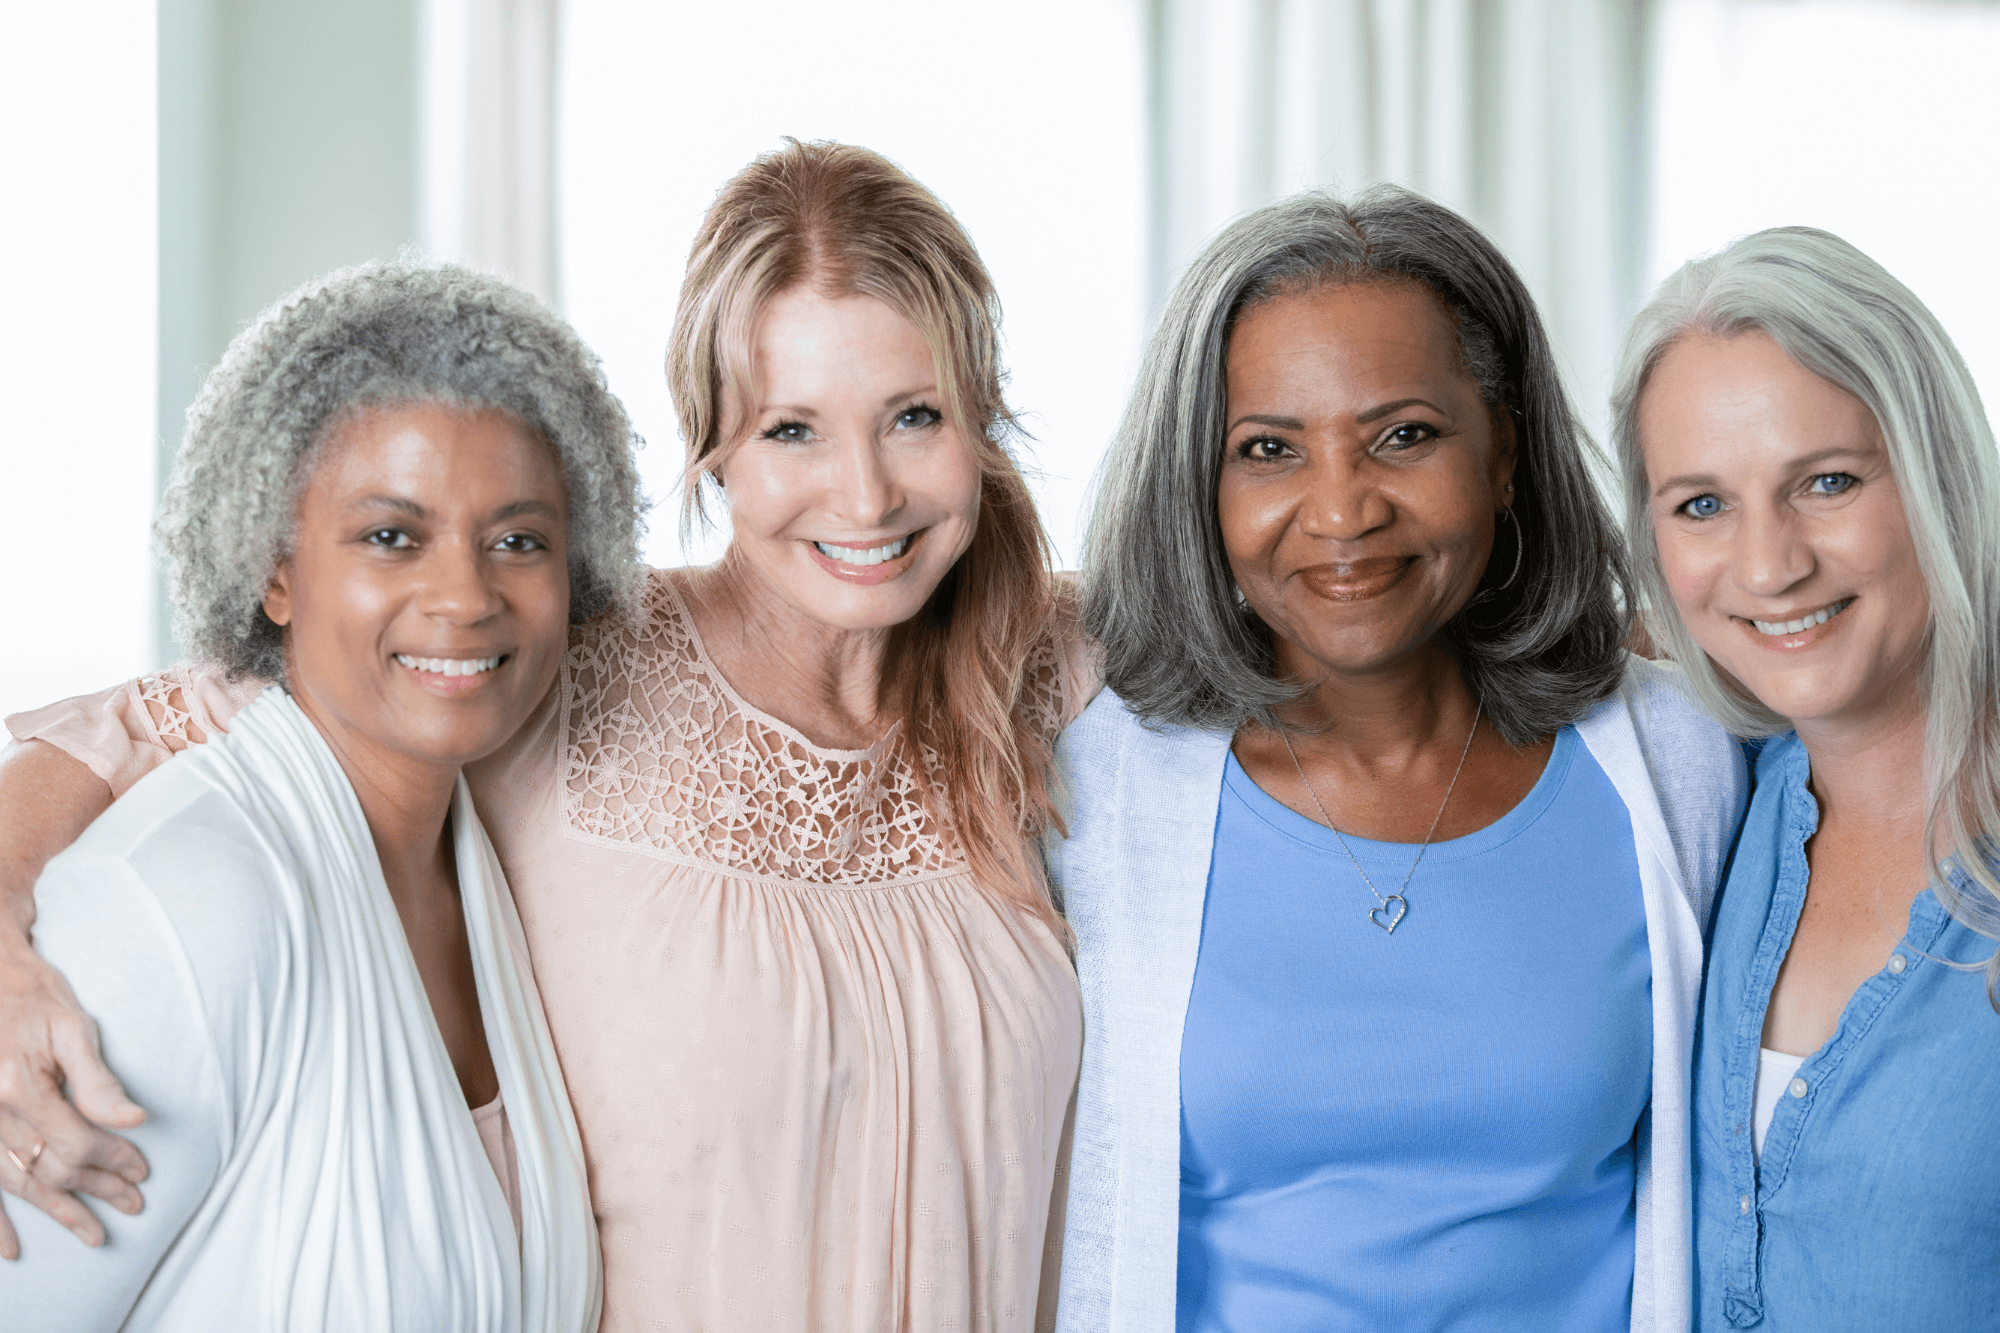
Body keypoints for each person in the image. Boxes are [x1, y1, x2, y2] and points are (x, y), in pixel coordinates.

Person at [0, 141, 1090, 1331]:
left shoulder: (1047, 671)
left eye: (913, 417)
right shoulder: (557, 656)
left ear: (977, 419)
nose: (866, 495)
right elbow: (164, 719)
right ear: (712, 441)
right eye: (793, 430)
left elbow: (1292, 630)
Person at [1047, 187, 1747, 1333]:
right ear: (1201, 488)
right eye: (1267, 449)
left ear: (1505, 453)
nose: (1340, 511)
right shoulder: (1098, 788)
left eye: (1403, 435)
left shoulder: (1680, 759)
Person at [0, 258, 620, 1327]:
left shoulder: (499, 871)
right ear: (272, 570)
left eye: (519, 540)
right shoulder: (185, 908)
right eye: (392, 535)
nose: (466, 596)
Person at [1613, 226, 2000, 1328]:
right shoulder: (1705, 793)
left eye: (1824, 481)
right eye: (1699, 504)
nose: (1768, 564)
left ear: (1931, 471)